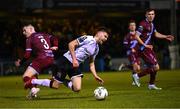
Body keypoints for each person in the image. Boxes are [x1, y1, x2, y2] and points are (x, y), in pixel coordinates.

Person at [27, 27, 109, 93]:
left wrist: (95, 76)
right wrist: (74, 59)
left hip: (74, 65)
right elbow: (71, 44)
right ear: (99, 33)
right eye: (105, 36)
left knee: (77, 88)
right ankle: (33, 81)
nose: (106, 39)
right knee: (55, 86)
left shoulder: (96, 49)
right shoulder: (87, 38)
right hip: (66, 61)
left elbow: (91, 63)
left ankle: (60, 79)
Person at [133, 9, 174, 90]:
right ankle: (136, 76)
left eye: (152, 14)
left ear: (154, 15)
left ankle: (151, 84)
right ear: (146, 15)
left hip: (148, 48)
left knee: (156, 67)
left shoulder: (152, 24)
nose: (151, 16)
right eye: (149, 14)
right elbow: (136, 36)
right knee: (155, 67)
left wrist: (166, 36)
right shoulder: (143, 24)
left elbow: (155, 34)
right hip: (143, 48)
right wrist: (145, 45)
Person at [15, 24, 58, 98]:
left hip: (41, 59)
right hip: (51, 58)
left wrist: (20, 62)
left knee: (26, 76)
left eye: (25, 30)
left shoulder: (30, 38)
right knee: (33, 75)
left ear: (31, 29)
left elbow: (27, 55)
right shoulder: (44, 34)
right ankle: (33, 92)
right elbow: (54, 38)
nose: (23, 33)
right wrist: (55, 45)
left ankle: (36, 87)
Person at [123, 20, 152, 87]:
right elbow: (125, 45)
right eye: (131, 25)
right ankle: (135, 80)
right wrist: (131, 49)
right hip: (131, 53)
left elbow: (143, 41)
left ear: (136, 26)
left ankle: (126, 66)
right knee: (136, 67)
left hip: (138, 52)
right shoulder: (127, 36)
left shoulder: (139, 35)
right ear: (129, 27)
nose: (133, 26)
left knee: (138, 68)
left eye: (134, 25)